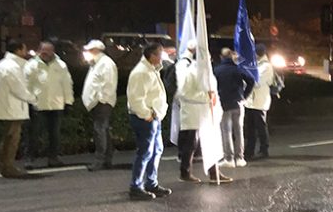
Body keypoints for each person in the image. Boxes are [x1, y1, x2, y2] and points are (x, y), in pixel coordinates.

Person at [176, 41, 231, 183]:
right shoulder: (191, 72)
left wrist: (216, 107)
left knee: (210, 143)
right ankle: (185, 172)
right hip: (194, 114)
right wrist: (206, 97)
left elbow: (213, 93)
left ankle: (214, 173)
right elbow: (184, 93)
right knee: (191, 144)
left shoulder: (208, 72)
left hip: (207, 114)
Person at [126, 42, 171, 200]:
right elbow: (135, 98)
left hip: (153, 117)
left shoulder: (150, 70)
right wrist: (147, 114)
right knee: (146, 152)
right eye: (160, 54)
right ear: (152, 56)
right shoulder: (142, 72)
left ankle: (151, 183)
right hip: (145, 118)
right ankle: (136, 186)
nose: (162, 57)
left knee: (155, 151)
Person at [24, 41, 75, 167]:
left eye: (48, 51)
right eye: (43, 51)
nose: (45, 53)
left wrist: (68, 102)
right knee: (33, 134)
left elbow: (67, 84)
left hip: (56, 106)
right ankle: (29, 158)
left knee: (55, 135)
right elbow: (26, 85)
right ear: (39, 51)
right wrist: (29, 101)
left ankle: (53, 158)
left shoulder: (61, 65)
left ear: (53, 51)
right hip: (38, 106)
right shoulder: (31, 65)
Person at [0, 39, 37, 179]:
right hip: (13, 108)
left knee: (7, 138)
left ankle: (3, 165)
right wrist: (34, 99)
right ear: (18, 50)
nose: (26, 52)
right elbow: (18, 89)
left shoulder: (1, 65)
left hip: (7, 107)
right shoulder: (12, 67)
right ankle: (8, 167)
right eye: (24, 49)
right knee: (12, 139)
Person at [82, 39, 118, 171]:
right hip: (98, 102)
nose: (86, 53)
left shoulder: (105, 64)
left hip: (102, 103)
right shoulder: (96, 63)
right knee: (103, 130)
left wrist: (100, 100)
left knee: (100, 130)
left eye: (89, 51)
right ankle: (106, 159)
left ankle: (100, 160)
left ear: (96, 51)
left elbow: (108, 84)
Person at [214, 48, 253, 167]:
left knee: (226, 131)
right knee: (239, 130)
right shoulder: (238, 68)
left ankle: (229, 159)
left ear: (221, 57)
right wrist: (244, 96)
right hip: (238, 102)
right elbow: (251, 80)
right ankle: (240, 158)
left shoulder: (217, 70)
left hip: (224, 104)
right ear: (231, 57)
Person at [245, 44, 276, 160]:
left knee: (261, 127)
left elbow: (257, 83)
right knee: (250, 128)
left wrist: (248, 80)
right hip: (251, 101)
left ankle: (264, 149)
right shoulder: (257, 65)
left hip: (260, 102)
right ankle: (249, 150)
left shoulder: (267, 66)